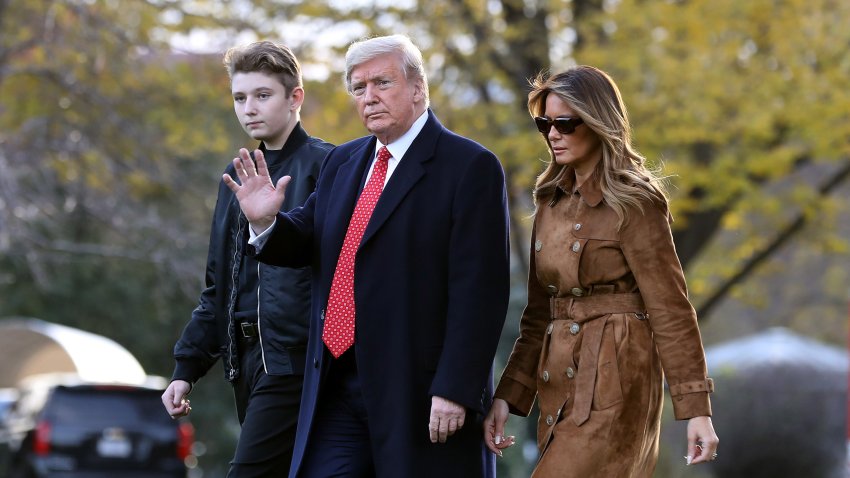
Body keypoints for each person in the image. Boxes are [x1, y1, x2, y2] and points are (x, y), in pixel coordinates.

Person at [223, 34, 510, 478]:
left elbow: (481, 292)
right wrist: (265, 223)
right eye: (359, 88)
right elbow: (304, 238)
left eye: (382, 83)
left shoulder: (469, 166)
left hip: (419, 389)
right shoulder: (345, 161)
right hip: (337, 384)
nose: (369, 97)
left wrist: (456, 387)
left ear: (418, 88)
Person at [483, 66, 719, 477]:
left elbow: (671, 309)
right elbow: (538, 316)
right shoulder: (549, 203)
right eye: (545, 124)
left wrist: (696, 409)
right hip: (558, 381)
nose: (553, 134)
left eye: (565, 123)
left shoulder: (636, 201)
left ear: (597, 122)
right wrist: (507, 397)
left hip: (617, 379)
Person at [161, 40, 333, 477]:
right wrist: (187, 368)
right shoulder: (233, 178)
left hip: (297, 362)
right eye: (240, 97)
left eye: (263, 95)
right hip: (247, 363)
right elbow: (219, 286)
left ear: (295, 97)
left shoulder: (328, 166)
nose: (249, 108)